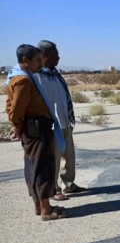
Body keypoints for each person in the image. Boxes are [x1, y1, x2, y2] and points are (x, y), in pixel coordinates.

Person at [5, 44, 67, 220]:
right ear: (26, 60)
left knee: (34, 167)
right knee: (42, 168)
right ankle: (46, 211)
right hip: (37, 129)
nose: (41, 63)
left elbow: (10, 105)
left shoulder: (18, 76)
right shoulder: (23, 80)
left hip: (36, 128)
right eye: (38, 60)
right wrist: (16, 125)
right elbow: (16, 108)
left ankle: (40, 207)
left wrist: (16, 124)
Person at [34, 40, 86, 201]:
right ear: (44, 55)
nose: (59, 58)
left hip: (65, 121)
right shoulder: (37, 76)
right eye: (56, 55)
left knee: (69, 156)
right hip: (51, 125)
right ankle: (53, 189)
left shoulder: (55, 75)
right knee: (53, 159)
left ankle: (68, 184)